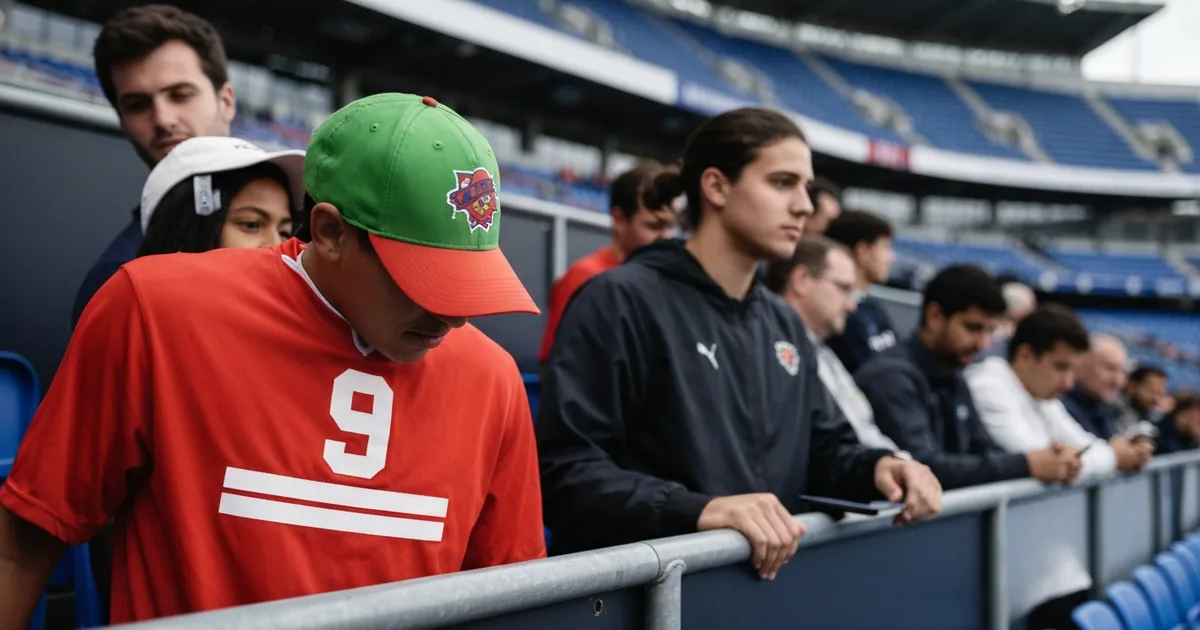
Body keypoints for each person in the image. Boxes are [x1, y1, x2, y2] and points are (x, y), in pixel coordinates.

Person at [0, 93, 546, 626]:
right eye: (426, 282)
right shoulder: (156, 310)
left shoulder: (493, 379)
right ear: (330, 231)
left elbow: (508, 595)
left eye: (468, 284)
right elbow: (27, 538)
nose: (453, 317)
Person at [536, 107, 942, 582]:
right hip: (650, 605)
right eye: (782, 182)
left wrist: (882, 467)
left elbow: (826, 449)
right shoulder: (620, 299)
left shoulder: (783, 322)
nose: (805, 206)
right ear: (716, 187)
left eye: (806, 188)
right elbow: (564, 472)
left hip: (753, 599)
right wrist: (700, 511)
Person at [72, 4, 236, 326]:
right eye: (137, 105)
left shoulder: (316, 235)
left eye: (180, 95)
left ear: (226, 102)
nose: (162, 119)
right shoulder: (118, 279)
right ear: (122, 120)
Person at [856, 264, 1081, 490]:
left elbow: (983, 448)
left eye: (990, 331)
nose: (983, 344)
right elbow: (923, 465)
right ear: (935, 316)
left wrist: (1049, 461)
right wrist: (1027, 464)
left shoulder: (954, 374)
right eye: (973, 328)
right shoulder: (891, 377)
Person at [965, 304, 1152, 481]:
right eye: (1061, 367)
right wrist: (1113, 457)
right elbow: (1047, 463)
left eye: (1072, 370)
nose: (1069, 383)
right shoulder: (988, 387)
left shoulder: (1043, 395)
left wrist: (1107, 454)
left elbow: (1083, 443)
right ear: (1025, 356)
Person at [536, 161, 679, 364]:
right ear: (619, 220)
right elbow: (556, 366)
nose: (666, 237)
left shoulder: (664, 281)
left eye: (670, 226)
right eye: (654, 226)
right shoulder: (584, 278)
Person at [765, 235, 898, 450]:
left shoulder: (821, 348)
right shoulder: (776, 354)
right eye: (844, 289)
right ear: (802, 280)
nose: (851, 306)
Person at [138, 136, 306, 256]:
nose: (276, 246)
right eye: (252, 224)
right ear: (185, 229)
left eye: (284, 233)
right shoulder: (134, 300)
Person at [823, 210, 898, 374]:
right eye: (885, 248)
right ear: (863, 252)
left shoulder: (873, 308)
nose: (892, 258)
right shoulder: (835, 317)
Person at [1061, 334, 1129, 440]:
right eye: (1110, 368)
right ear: (1080, 366)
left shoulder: (1103, 407)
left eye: (1122, 371)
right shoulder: (1060, 406)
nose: (1118, 379)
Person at [1117, 365, 1169, 430]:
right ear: (1132, 386)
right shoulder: (1114, 410)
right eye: (1151, 391)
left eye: (1160, 394)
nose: (1156, 399)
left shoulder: (1151, 417)